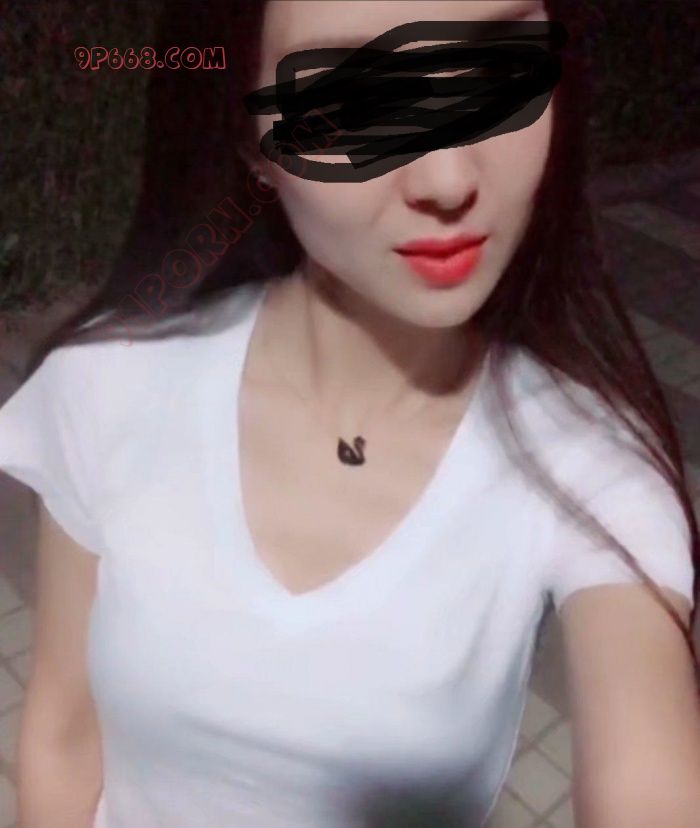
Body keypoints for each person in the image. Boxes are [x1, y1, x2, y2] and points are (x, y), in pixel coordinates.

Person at [2, 1, 700, 826]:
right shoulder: (110, 384)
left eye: (498, 72)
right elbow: (62, 741)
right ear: (250, 142)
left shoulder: (590, 467)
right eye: (351, 101)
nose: (448, 179)